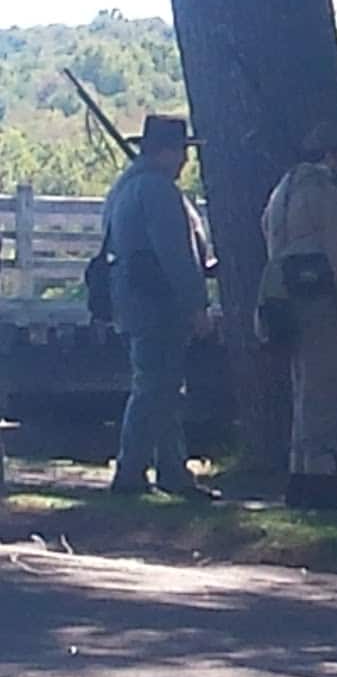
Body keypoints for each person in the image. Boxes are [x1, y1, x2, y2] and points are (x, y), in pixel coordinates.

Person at [261, 122, 337, 511]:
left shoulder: (281, 193)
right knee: (328, 386)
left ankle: (300, 470)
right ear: (332, 155)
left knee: (303, 386)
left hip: (287, 301)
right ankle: (320, 475)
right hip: (323, 305)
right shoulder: (325, 195)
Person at [104, 115, 219, 502]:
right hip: (159, 306)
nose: (186, 160)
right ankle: (130, 470)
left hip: (137, 303)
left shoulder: (125, 188)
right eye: (183, 150)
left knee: (164, 389)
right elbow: (175, 255)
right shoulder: (157, 190)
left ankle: (172, 470)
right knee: (154, 388)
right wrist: (196, 305)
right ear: (168, 152)